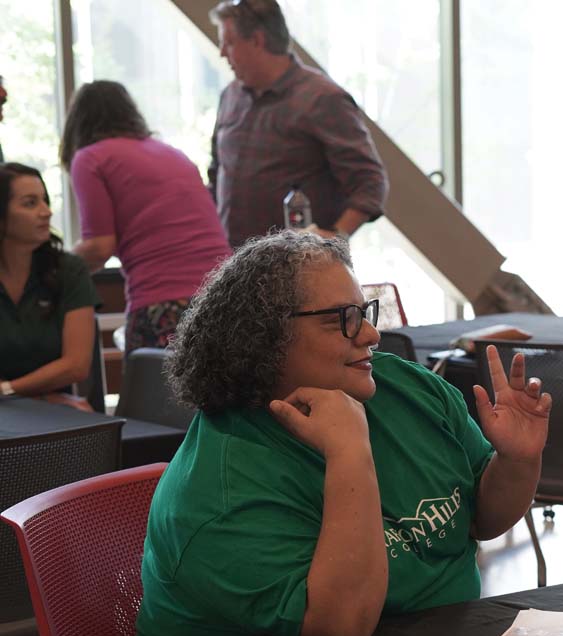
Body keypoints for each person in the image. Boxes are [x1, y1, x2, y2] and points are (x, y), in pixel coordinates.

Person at [128, 230, 550, 636]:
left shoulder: (404, 388)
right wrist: (349, 453)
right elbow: (343, 628)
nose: (370, 334)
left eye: (364, 312)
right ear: (262, 337)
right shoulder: (220, 491)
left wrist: (517, 460)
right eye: (341, 319)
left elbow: (482, 519)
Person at [61, 80, 231, 353]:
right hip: (223, 295)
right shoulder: (172, 153)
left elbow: (98, 246)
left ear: (76, 124)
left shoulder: (90, 158)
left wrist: (51, 268)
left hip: (164, 303)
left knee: (151, 393)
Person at [207, 0, 388, 248]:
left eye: (228, 42)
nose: (221, 52)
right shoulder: (230, 96)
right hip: (233, 264)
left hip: (297, 269)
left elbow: (370, 182)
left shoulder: (322, 98)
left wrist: (335, 238)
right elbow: (216, 174)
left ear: (257, 41)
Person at [0, 163, 97, 410]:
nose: (46, 212)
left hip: (52, 407)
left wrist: (10, 390)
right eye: (30, 203)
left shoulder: (69, 269)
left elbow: (76, 365)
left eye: (45, 200)